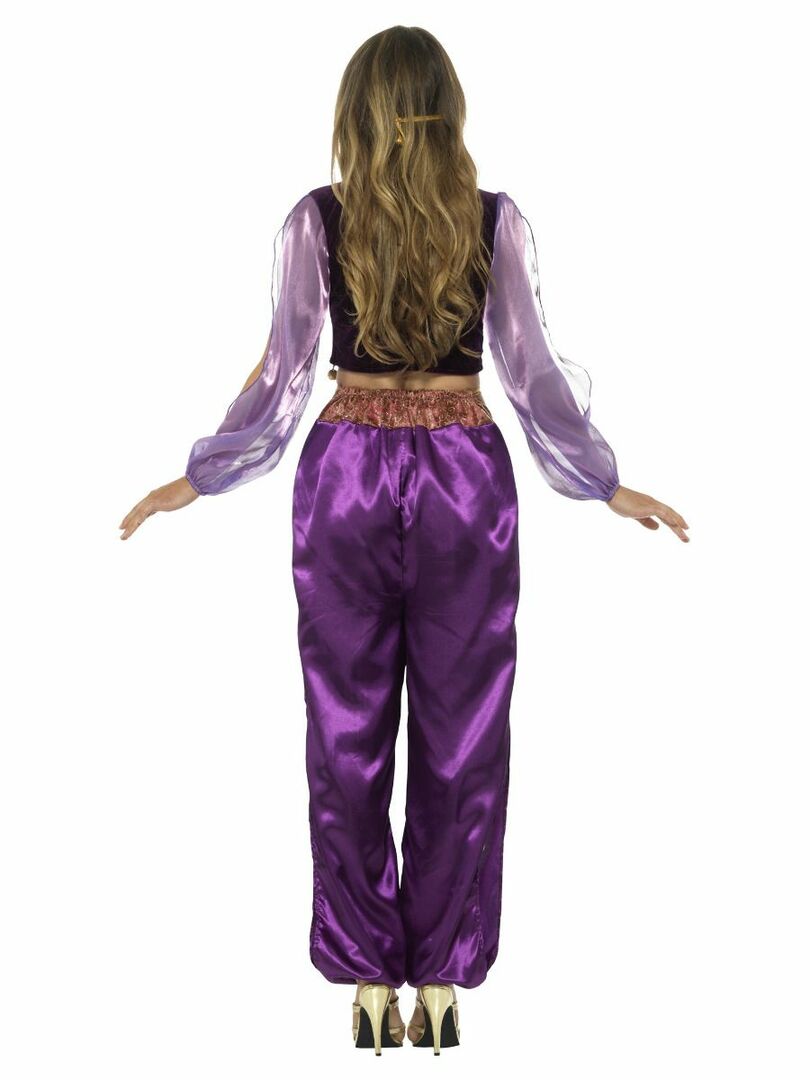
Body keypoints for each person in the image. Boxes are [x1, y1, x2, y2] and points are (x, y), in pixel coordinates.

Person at [118, 25, 689, 1056]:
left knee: (345, 725)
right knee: (465, 730)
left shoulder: (322, 218)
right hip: (465, 474)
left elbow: (284, 369)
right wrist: (602, 483)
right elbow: (530, 371)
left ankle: (369, 978)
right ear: (447, 108)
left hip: (346, 473)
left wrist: (202, 474)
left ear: (358, 111)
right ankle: (441, 979)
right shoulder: (488, 219)